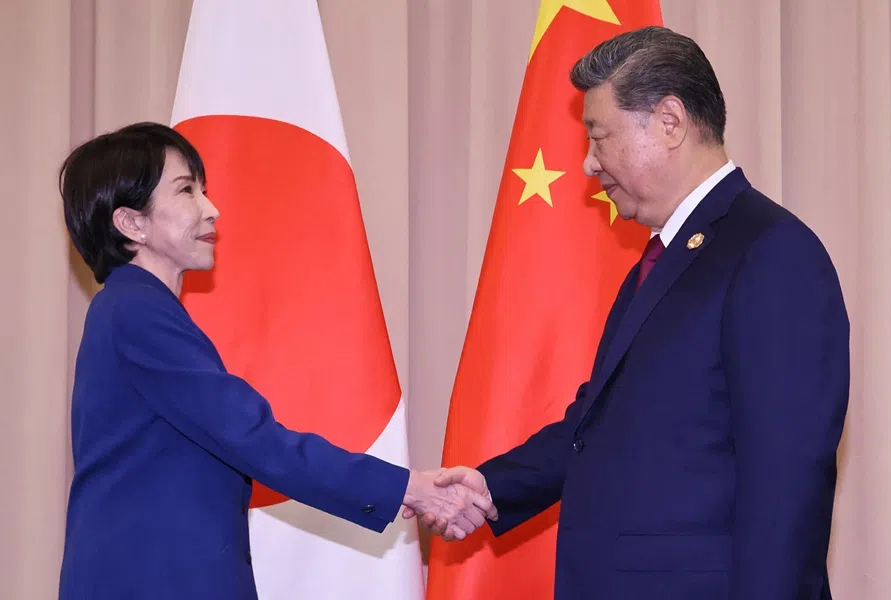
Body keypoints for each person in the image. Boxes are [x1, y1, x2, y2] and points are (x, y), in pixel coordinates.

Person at [415, 26, 849, 600]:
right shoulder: (663, 260)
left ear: (669, 122)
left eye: (599, 137)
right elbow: (596, 427)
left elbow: (787, 483)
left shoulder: (770, 252)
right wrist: (491, 487)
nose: (588, 164)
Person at [56, 122, 496, 600]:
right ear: (131, 223)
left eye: (204, 189)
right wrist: (409, 489)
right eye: (186, 190)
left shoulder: (131, 309)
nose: (211, 209)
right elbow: (251, 436)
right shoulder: (136, 311)